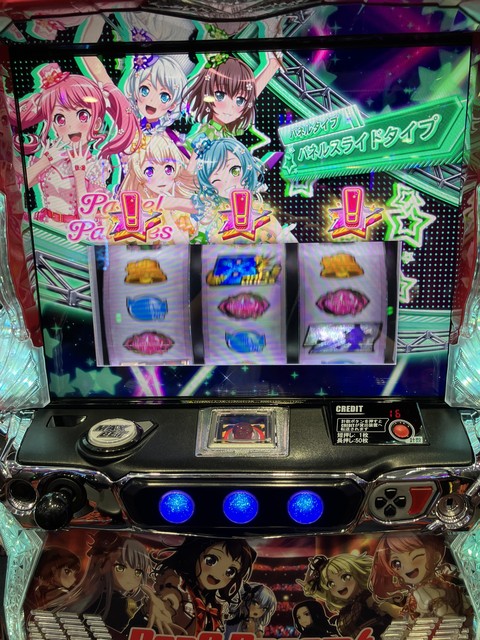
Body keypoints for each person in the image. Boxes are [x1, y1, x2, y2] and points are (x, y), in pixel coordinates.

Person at [15, 62, 138, 228]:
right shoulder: (52, 157)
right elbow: (20, 186)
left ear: (96, 124)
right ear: (54, 127)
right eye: (60, 119)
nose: (71, 127)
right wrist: (45, 160)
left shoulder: (95, 167)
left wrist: (79, 172)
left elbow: (87, 216)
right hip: (45, 225)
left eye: (82, 115)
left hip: (76, 232)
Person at [152, 537, 257, 635]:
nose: (218, 574)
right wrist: (164, 607)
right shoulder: (178, 584)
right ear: (195, 554)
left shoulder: (214, 605)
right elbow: (169, 597)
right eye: (211, 560)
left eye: (230, 571)